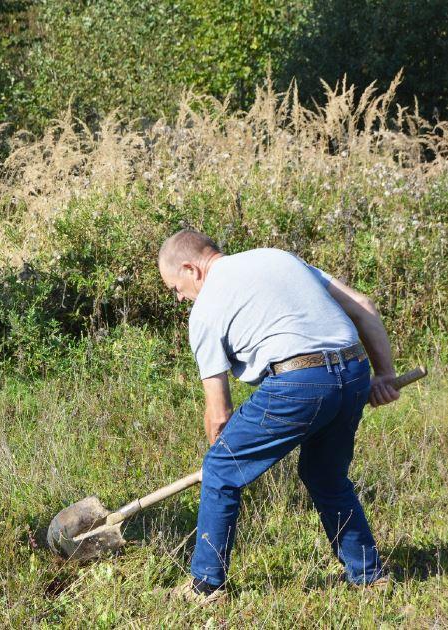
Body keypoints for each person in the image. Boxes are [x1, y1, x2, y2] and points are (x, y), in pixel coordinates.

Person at [158, 229, 401, 605]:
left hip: (299, 381)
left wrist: (223, 462)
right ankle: (369, 577)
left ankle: (206, 585)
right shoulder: (279, 257)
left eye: (175, 288)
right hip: (353, 371)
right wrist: (383, 374)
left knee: (221, 468)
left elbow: (218, 412)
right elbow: (362, 305)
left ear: (192, 269)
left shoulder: (205, 310)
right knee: (325, 475)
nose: (179, 298)